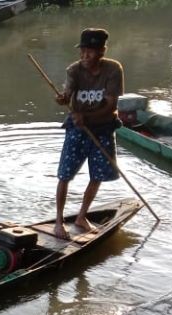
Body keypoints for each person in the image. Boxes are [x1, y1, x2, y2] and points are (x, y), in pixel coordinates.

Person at [53, 27, 124, 240]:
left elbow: (111, 105)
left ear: (102, 51)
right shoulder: (74, 70)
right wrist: (64, 99)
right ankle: (58, 222)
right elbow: (68, 92)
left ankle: (81, 217)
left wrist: (89, 118)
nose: (85, 56)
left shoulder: (113, 70)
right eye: (82, 51)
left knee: (98, 175)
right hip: (78, 129)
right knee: (64, 175)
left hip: (103, 128)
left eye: (90, 52)